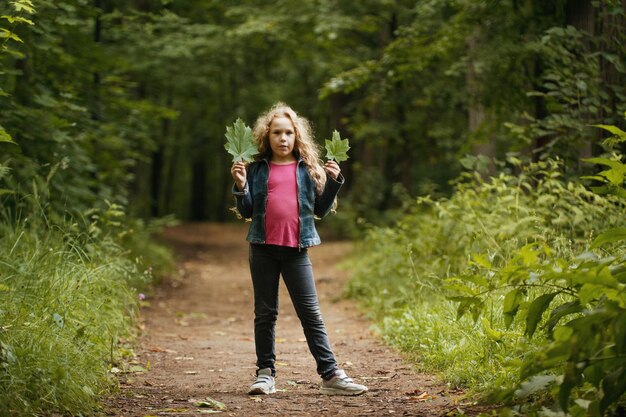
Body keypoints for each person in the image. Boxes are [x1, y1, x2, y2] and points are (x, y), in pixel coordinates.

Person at [230, 103, 368, 396]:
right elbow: (247, 211)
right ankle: (265, 373)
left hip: (296, 250)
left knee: (311, 313)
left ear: (297, 136)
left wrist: (332, 183)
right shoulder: (255, 170)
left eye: (288, 133)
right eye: (277, 133)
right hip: (262, 249)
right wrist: (241, 186)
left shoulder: (307, 170)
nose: (283, 138)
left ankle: (330, 375)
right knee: (265, 313)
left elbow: (320, 208)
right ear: (266, 137)